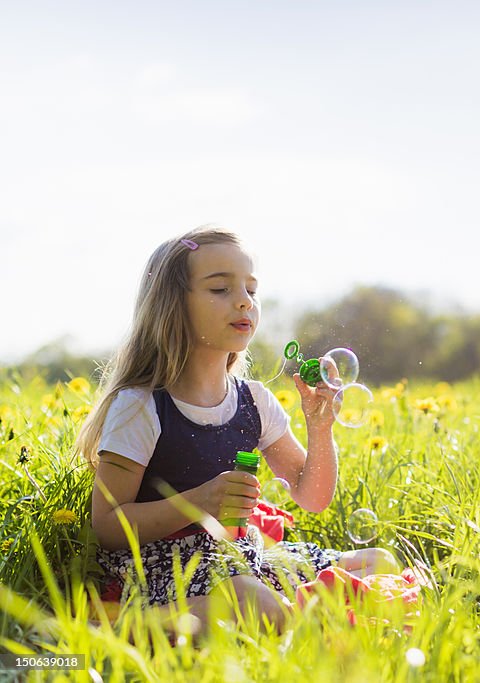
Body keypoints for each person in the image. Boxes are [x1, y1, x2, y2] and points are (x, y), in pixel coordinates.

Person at [74, 225, 399, 634]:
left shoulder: (254, 401)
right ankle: (125, 625)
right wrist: (198, 502)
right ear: (173, 305)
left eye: (251, 289)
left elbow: (312, 496)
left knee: (380, 563)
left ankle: (286, 616)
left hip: (239, 555)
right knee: (259, 603)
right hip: (165, 566)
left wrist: (320, 429)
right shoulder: (141, 407)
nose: (244, 301)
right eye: (220, 289)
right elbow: (107, 528)